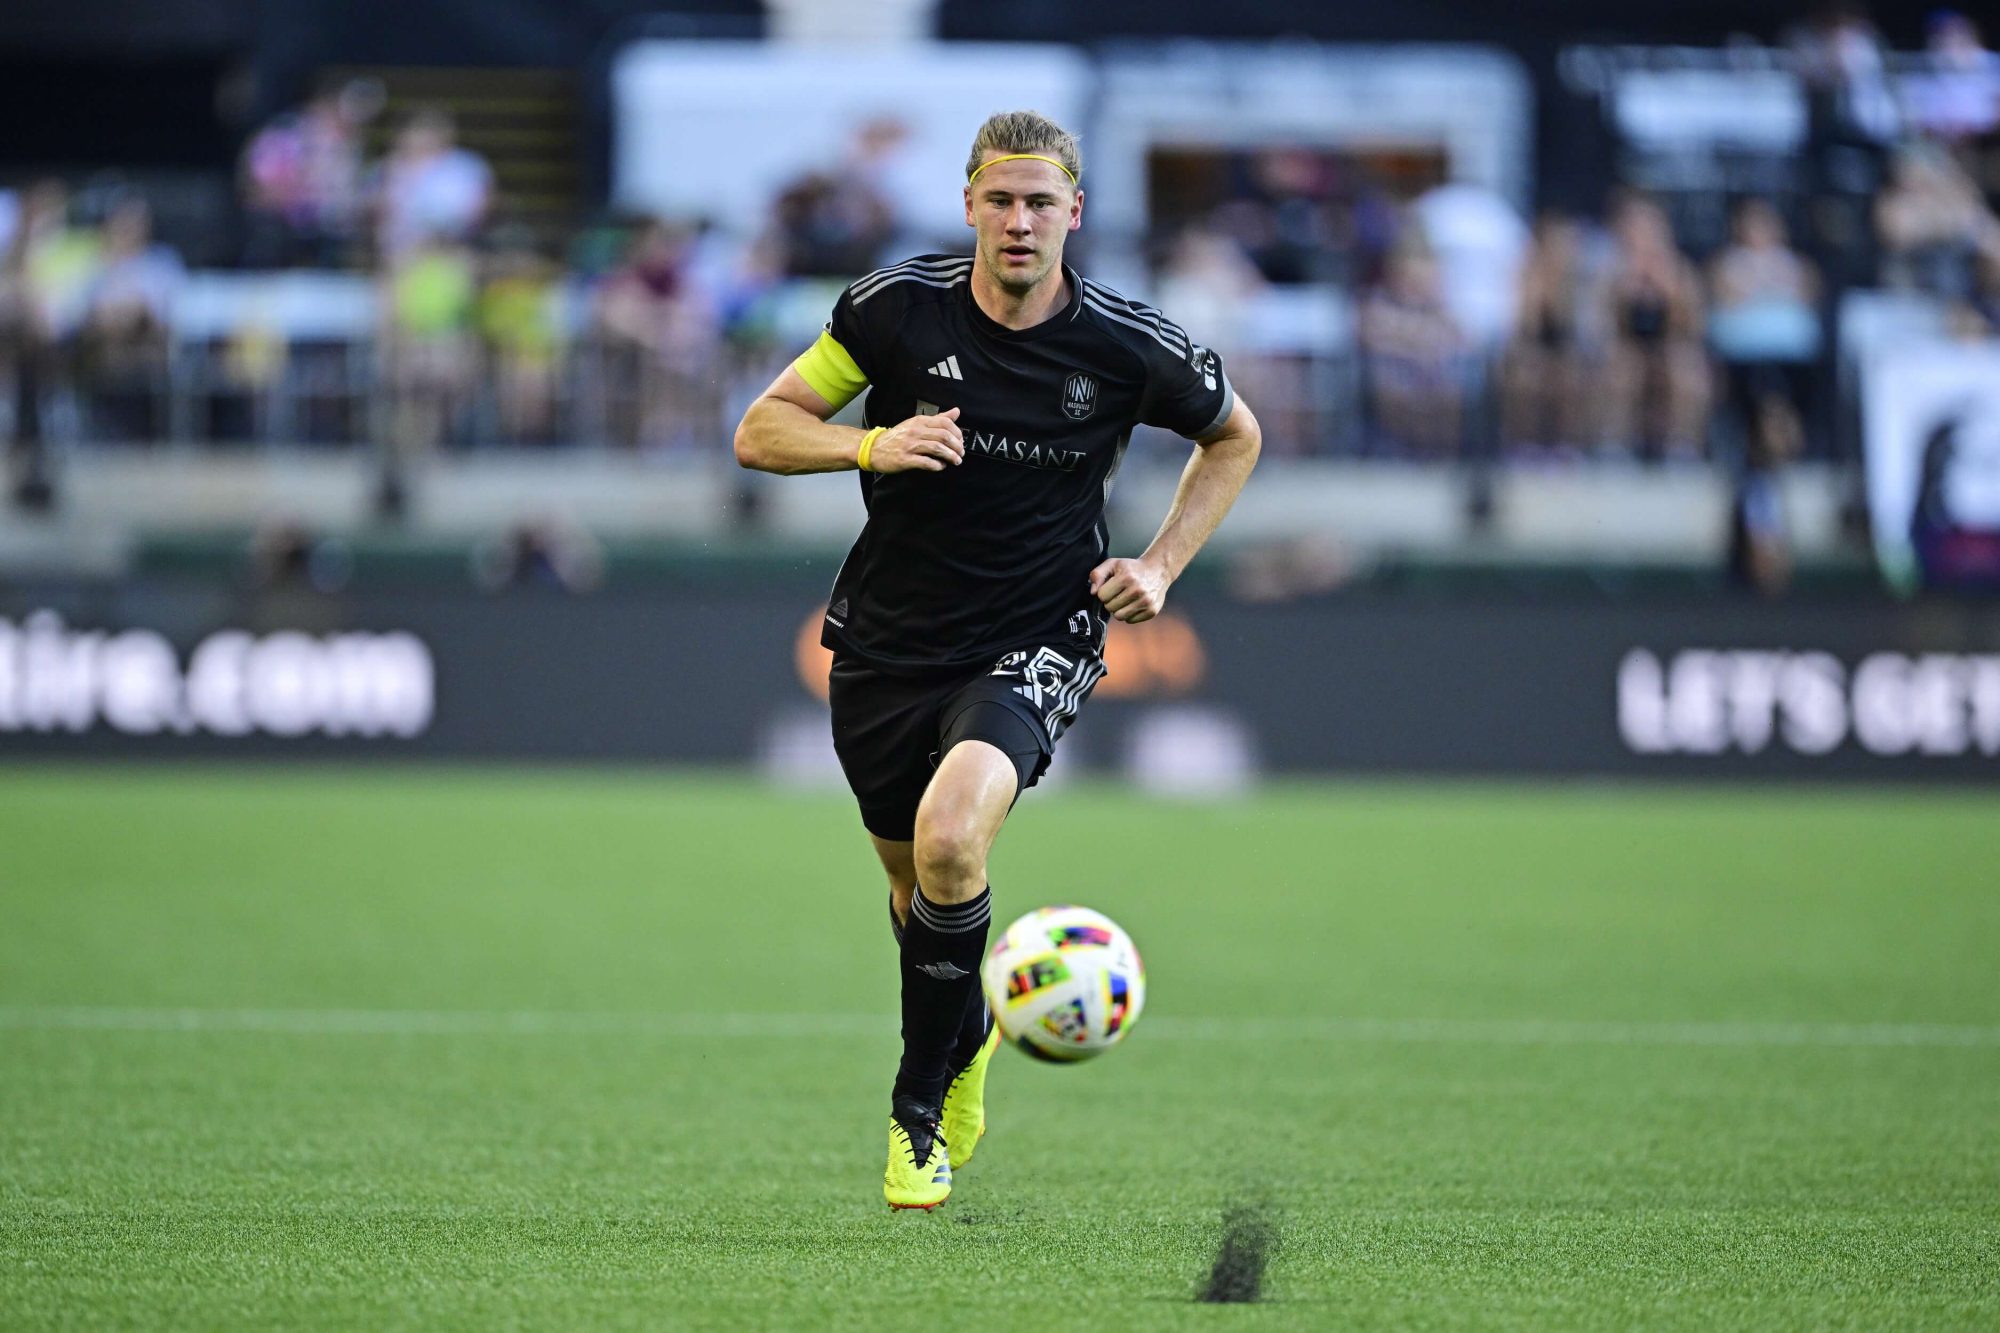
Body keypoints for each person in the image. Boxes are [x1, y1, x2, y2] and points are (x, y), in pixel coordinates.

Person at [732, 110, 1260, 1210]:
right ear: (969, 203)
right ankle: (965, 1035)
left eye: (1041, 203)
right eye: (1000, 200)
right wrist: (867, 443)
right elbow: (762, 428)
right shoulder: (890, 311)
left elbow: (1233, 435)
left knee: (950, 837)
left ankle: (914, 1111)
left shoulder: (1127, 343)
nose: (1019, 222)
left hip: (1037, 631)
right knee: (910, 884)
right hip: (886, 638)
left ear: (1075, 212)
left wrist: (1159, 567)